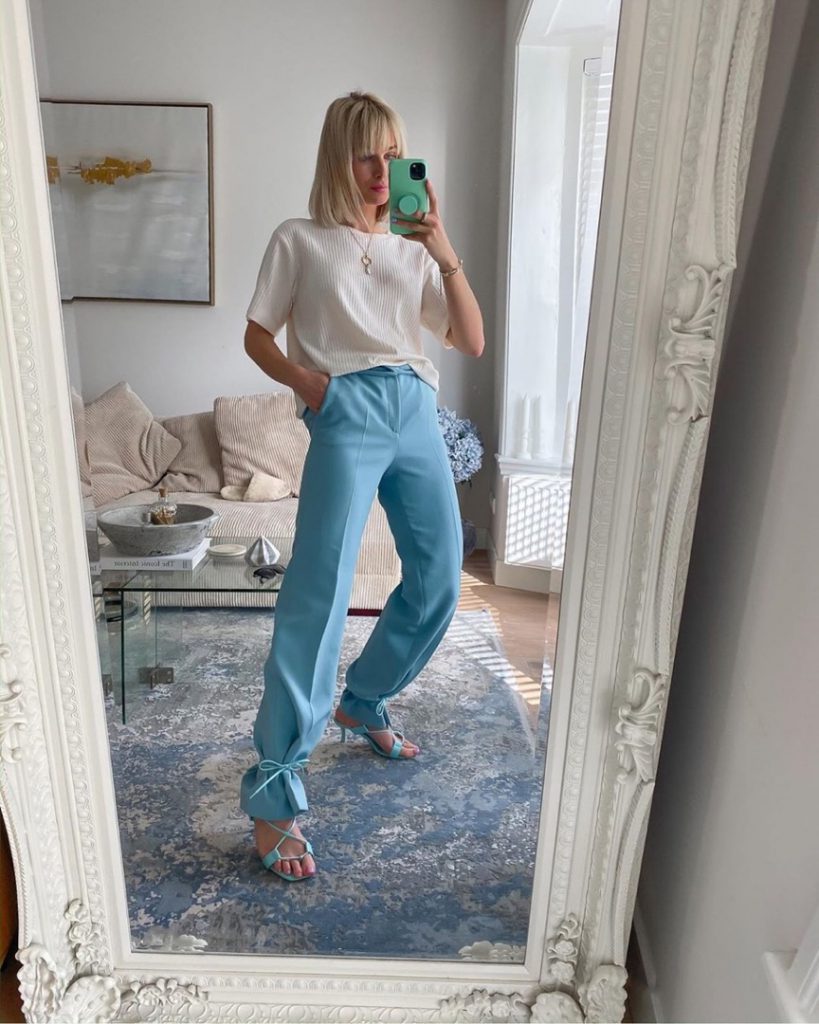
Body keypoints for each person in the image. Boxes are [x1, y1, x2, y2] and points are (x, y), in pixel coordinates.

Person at [239, 91, 484, 880]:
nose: (382, 172)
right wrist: (312, 386)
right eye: (365, 155)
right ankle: (274, 792)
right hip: (345, 409)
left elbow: (471, 339)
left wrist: (440, 244)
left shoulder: (415, 252)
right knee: (319, 592)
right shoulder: (300, 239)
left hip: (415, 407)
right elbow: (255, 335)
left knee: (440, 576)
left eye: (393, 155)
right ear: (336, 160)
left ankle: (364, 699)